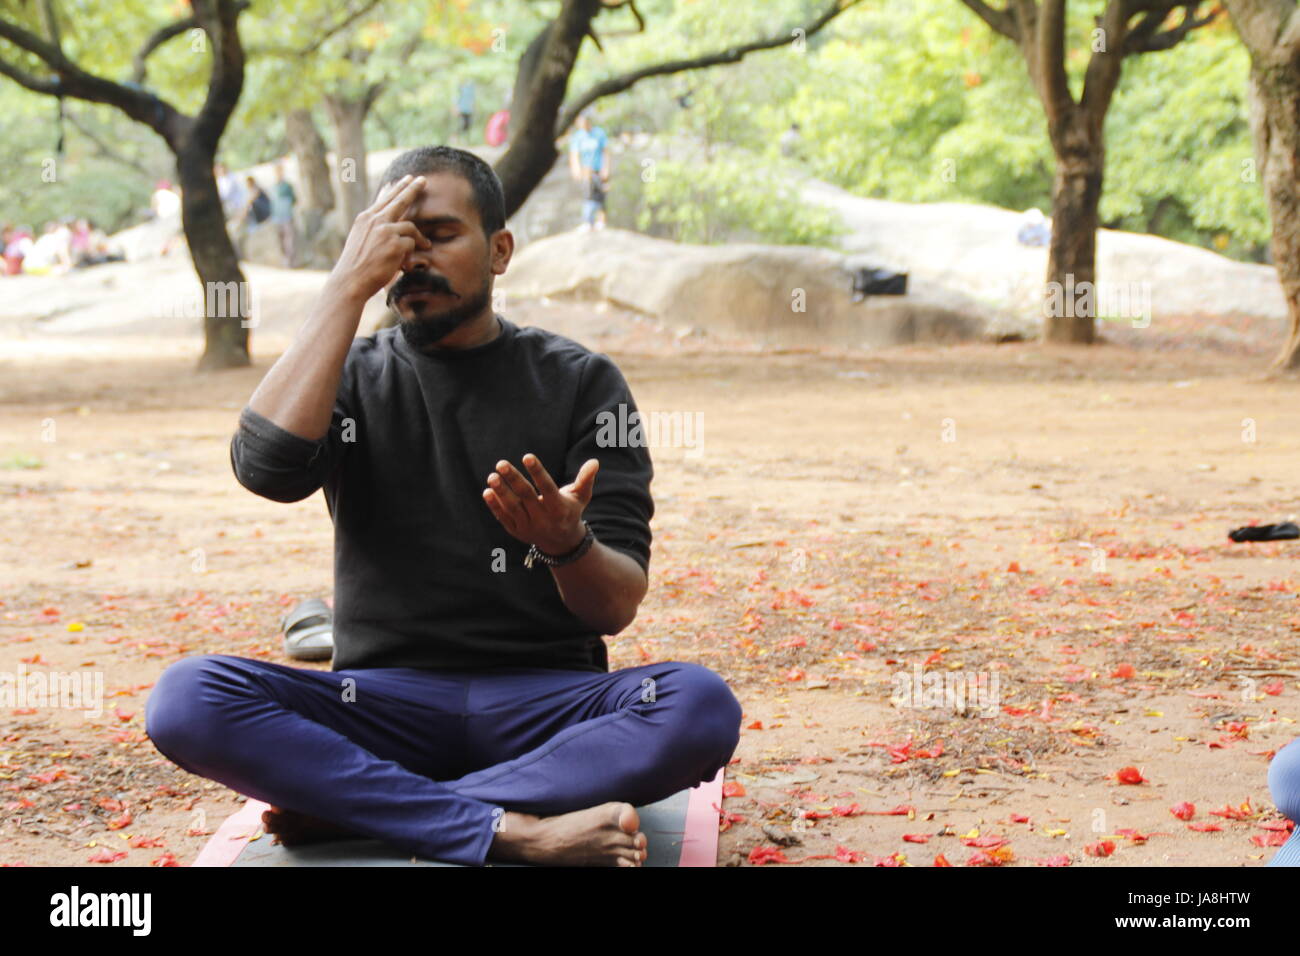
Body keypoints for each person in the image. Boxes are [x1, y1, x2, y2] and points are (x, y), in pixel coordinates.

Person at [145, 145, 742, 867]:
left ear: (499, 251)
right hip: (379, 708)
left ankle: (382, 810)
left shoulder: (582, 381)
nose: (411, 256)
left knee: (699, 707)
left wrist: (566, 545)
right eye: (393, 235)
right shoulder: (348, 373)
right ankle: (503, 827)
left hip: (547, 714)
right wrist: (343, 287)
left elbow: (614, 607)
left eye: (438, 233)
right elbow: (266, 470)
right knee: (186, 698)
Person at [569, 110, 610, 232]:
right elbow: (574, 155)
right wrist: (576, 169)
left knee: (601, 196)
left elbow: (605, 152)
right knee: (588, 196)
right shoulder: (578, 137)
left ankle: (601, 221)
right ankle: (588, 221)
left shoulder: (599, 133)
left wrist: (606, 168)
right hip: (586, 172)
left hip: (599, 169)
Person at [269, 161, 298, 268]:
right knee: (281, 238)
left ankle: (290, 260)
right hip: (277, 216)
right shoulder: (273, 187)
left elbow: (294, 199)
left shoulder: (287, 186)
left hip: (286, 215)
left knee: (289, 238)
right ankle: (285, 259)